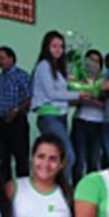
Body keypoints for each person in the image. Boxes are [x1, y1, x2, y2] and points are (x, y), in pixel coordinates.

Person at [30, 30, 79, 174]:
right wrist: (78, 94)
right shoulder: (44, 66)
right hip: (49, 115)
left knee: (58, 155)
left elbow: (63, 91)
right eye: (54, 46)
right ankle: (63, 188)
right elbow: (51, 94)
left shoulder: (58, 68)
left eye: (61, 46)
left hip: (60, 115)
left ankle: (56, 186)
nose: (58, 50)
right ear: (47, 47)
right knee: (68, 155)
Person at [0, 45, 31, 179]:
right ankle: (6, 193)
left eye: (2, 58)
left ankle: (23, 193)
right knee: (2, 160)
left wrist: (16, 111)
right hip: (1, 123)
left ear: (11, 58)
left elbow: (29, 98)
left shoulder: (22, 76)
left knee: (21, 160)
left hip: (17, 122)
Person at [71, 49, 106, 180]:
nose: (93, 64)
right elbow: (70, 101)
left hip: (98, 123)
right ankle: (76, 191)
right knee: (79, 160)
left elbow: (107, 105)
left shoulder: (104, 82)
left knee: (93, 159)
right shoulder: (78, 80)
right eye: (90, 60)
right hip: (81, 121)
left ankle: (90, 193)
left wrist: (91, 100)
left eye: (96, 61)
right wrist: (80, 98)